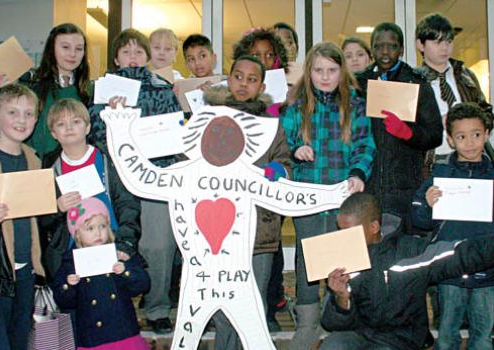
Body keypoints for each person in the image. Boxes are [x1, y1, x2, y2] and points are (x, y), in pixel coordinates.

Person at [281, 42, 375, 350]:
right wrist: (296, 150)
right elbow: (284, 141)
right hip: (308, 196)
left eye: (332, 70)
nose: (325, 77)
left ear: (341, 71)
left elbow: (364, 145)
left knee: (342, 258)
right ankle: (307, 323)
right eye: (319, 70)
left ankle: (337, 317)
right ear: (309, 72)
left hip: (342, 195)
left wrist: (358, 173)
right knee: (308, 260)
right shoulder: (296, 105)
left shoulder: (356, 104)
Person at [88, 28, 182, 335]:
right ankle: (113, 306)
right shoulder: (100, 92)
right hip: (117, 180)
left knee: (159, 245)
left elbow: (175, 136)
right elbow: (94, 138)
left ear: (147, 56)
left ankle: (157, 308)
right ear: (115, 57)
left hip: (155, 177)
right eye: (126, 52)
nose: (133, 57)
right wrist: (114, 117)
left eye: (138, 51)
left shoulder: (162, 88)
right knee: (112, 242)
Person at [320, 192, 494, 350]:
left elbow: (462, 255)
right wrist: (341, 297)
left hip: (401, 337)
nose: (343, 237)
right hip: (360, 333)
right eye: (340, 230)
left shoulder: (410, 251)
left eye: (348, 231)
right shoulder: (344, 258)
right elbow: (330, 323)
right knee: (331, 346)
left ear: (374, 227)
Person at [202, 54, 291, 350]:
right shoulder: (210, 117)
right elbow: (190, 161)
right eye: (238, 76)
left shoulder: (271, 124)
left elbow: (284, 161)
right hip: (219, 231)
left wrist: (278, 171)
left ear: (262, 85)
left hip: (260, 232)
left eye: (252, 80)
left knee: (253, 303)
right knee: (226, 305)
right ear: (228, 79)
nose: (243, 84)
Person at [411, 102, 494, 350]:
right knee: (446, 336)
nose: (470, 142)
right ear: (449, 139)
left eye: (476, 135)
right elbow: (419, 221)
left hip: (488, 272)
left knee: (483, 337)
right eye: (461, 136)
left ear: (487, 134)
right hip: (450, 271)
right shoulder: (440, 175)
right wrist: (426, 204)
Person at [39, 98, 140, 280]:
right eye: (61, 124)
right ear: (54, 133)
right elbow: (42, 220)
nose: (69, 128)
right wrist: (56, 208)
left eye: (76, 122)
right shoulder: (48, 166)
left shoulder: (108, 159)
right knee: (78, 303)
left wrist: (125, 243)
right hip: (70, 251)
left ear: (87, 128)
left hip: (111, 242)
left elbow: (127, 204)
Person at [356, 22, 442, 226]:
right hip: (366, 185)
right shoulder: (359, 83)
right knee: (365, 251)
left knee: (399, 249)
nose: (385, 52)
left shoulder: (416, 83)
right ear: (372, 49)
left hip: (404, 185)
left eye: (392, 46)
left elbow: (435, 134)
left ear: (402, 50)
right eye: (379, 46)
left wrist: (408, 133)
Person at [51, 197, 150, 349]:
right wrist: (69, 285)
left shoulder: (118, 254)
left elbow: (143, 285)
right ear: (77, 234)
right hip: (93, 338)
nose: (98, 233)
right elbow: (64, 301)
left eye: (102, 226)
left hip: (124, 334)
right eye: (90, 228)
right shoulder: (71, 261)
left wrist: (126, 271)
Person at [0, 83, 45, 350]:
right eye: (12, 112)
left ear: (36, 119)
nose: (21, 120)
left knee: (19, 339)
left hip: (25, 269)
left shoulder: (34, 160)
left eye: (28, 113)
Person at [415, 13, 493, 162]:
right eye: (438, 42)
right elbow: (407, 129)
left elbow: (487, 111)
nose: (445, 47)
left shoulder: (465, 75)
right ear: (420, 44)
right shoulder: (414, 81)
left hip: (472, 158)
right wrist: (436, 122)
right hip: (432, 161)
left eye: (449, 41)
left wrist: (472, 123)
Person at [26, 23, 92, 159]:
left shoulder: (91, 91)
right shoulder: (33, 89)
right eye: (65, 47)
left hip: (81, 169)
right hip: (39, 169)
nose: (72, 54)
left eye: (79, 49)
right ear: (52, 49)